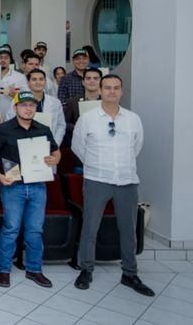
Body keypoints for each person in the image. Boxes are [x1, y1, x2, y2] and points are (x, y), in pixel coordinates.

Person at [71, 75, 154, 297]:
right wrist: (97, 165)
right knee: (90, 228)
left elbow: (137, 146)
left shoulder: (133, 119)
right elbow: (78, 146)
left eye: (116, 88)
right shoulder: (88, 118)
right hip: (97, 179)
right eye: (107, 88)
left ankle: (129, 273)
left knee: (128, 230)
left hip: (126, 180)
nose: (111, 91)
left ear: (122, 91)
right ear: (99, 90)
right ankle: (86, 269)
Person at [0, 91, 61, 289]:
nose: (28, 108)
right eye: (24, 105)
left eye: (32, 105)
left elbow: (56, 151)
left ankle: (34, 269)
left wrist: (55, 159)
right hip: (13, 186)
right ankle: (4, 269)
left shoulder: (44, 129)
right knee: (11, 229)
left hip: (38, 186)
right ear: (15, 108)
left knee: (35, 230)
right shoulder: (4, 129)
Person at [5, 69, 66, 145]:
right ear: (28, 83)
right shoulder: (17, 100)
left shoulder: (55, 102)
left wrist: (55, 144)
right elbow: (9, 121)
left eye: (41, 79)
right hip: (22, 143)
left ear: (45, 82)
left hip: (48, 143)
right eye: (34, 79)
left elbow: (61, 125)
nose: (38, 82)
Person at [64, 68, 102, 147]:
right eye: (88, 78)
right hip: (79, 145)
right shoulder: (72, 102)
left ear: (101, 82)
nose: (92, 81)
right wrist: (78, 127)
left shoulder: (108, 102)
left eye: (95, 78)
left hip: (102, 145)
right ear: (83, 82)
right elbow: (65, 123)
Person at [0, 45, 29, 115]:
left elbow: (26, 97)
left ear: (10, 60)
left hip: (12, 116)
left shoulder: (19, 77)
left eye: (6, 58)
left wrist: (17, 96)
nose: (3, 60)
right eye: (0, 58)